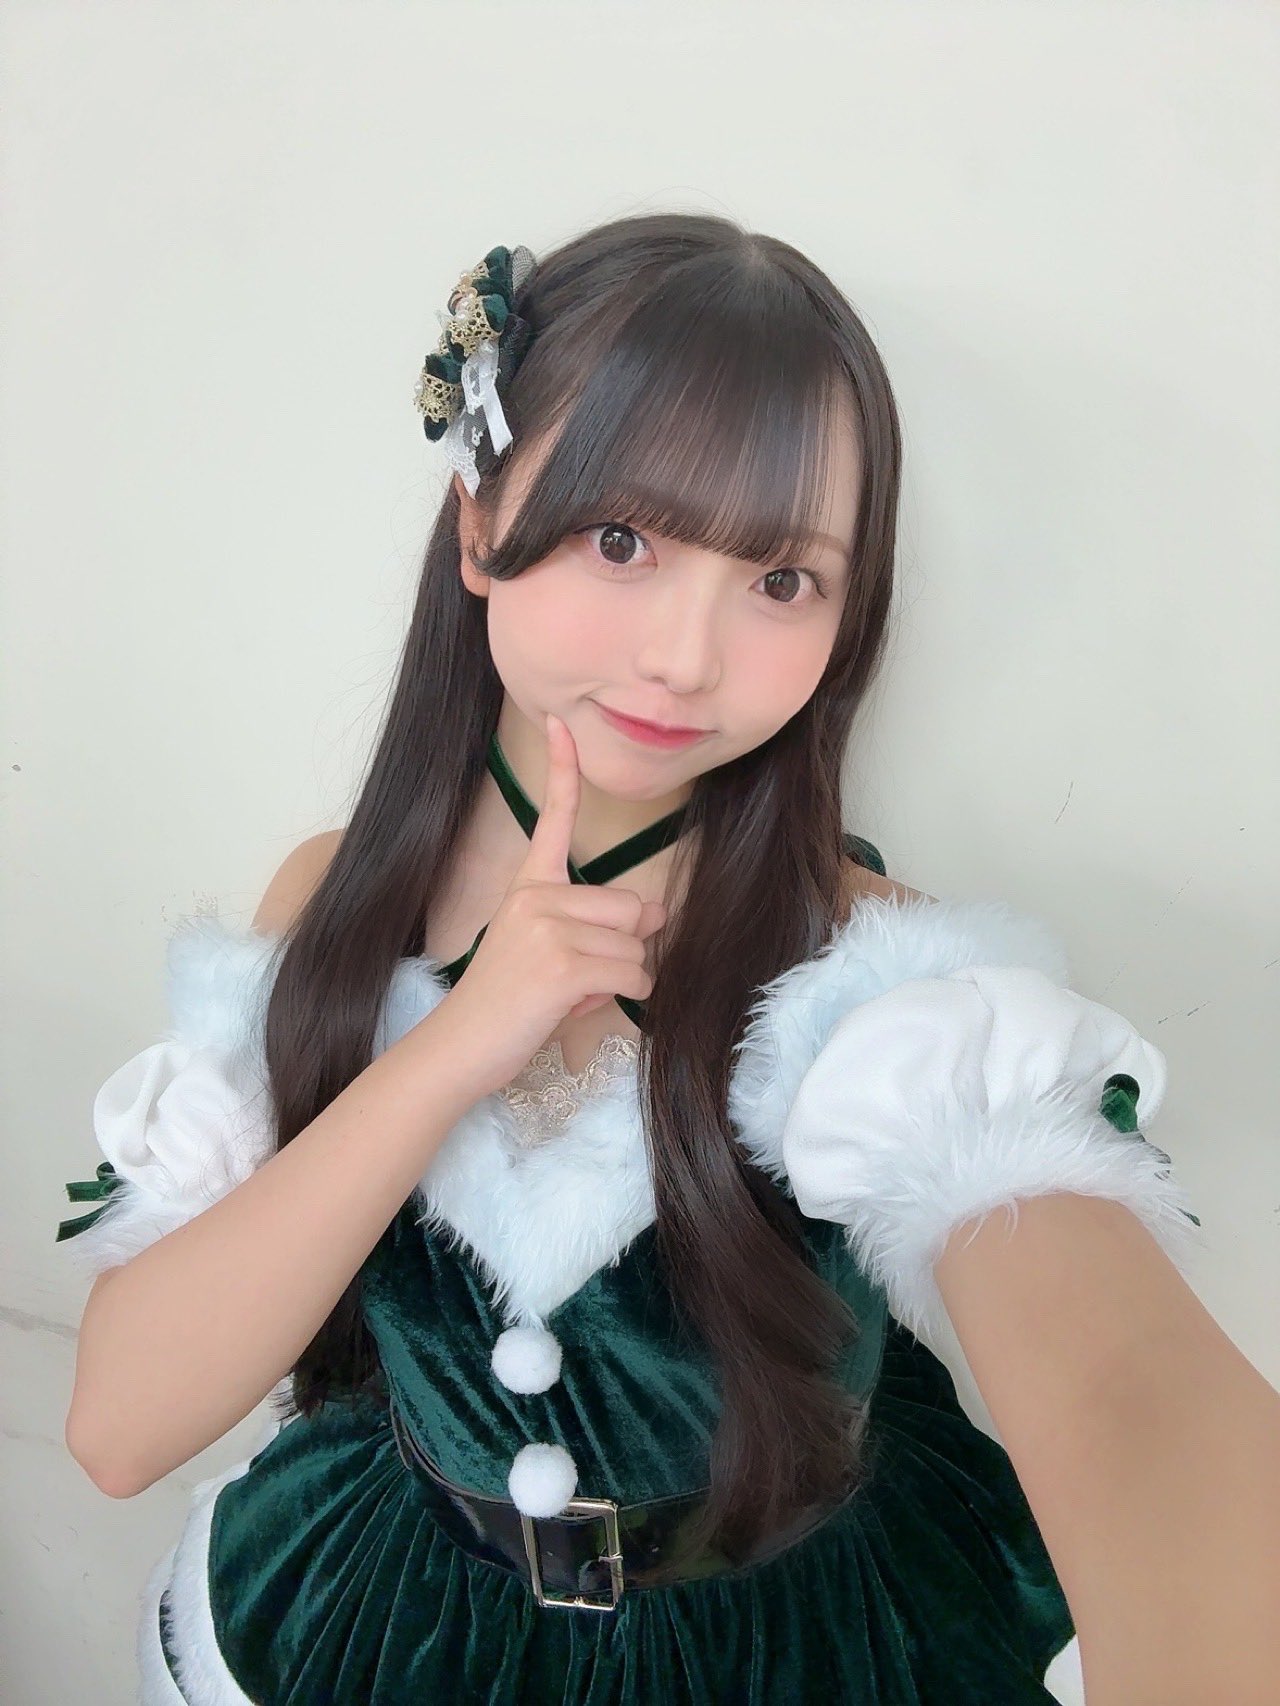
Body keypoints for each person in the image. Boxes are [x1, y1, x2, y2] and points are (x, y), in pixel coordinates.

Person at [55, 212, 1249, 1704]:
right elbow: (118, 1428)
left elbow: (1131, 1396)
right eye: (622, 541)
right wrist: (461, 1040)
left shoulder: (875, 967)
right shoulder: (332, 899)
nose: (688, 656)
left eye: (781, 580)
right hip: (400, 1613)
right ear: (480, 527)